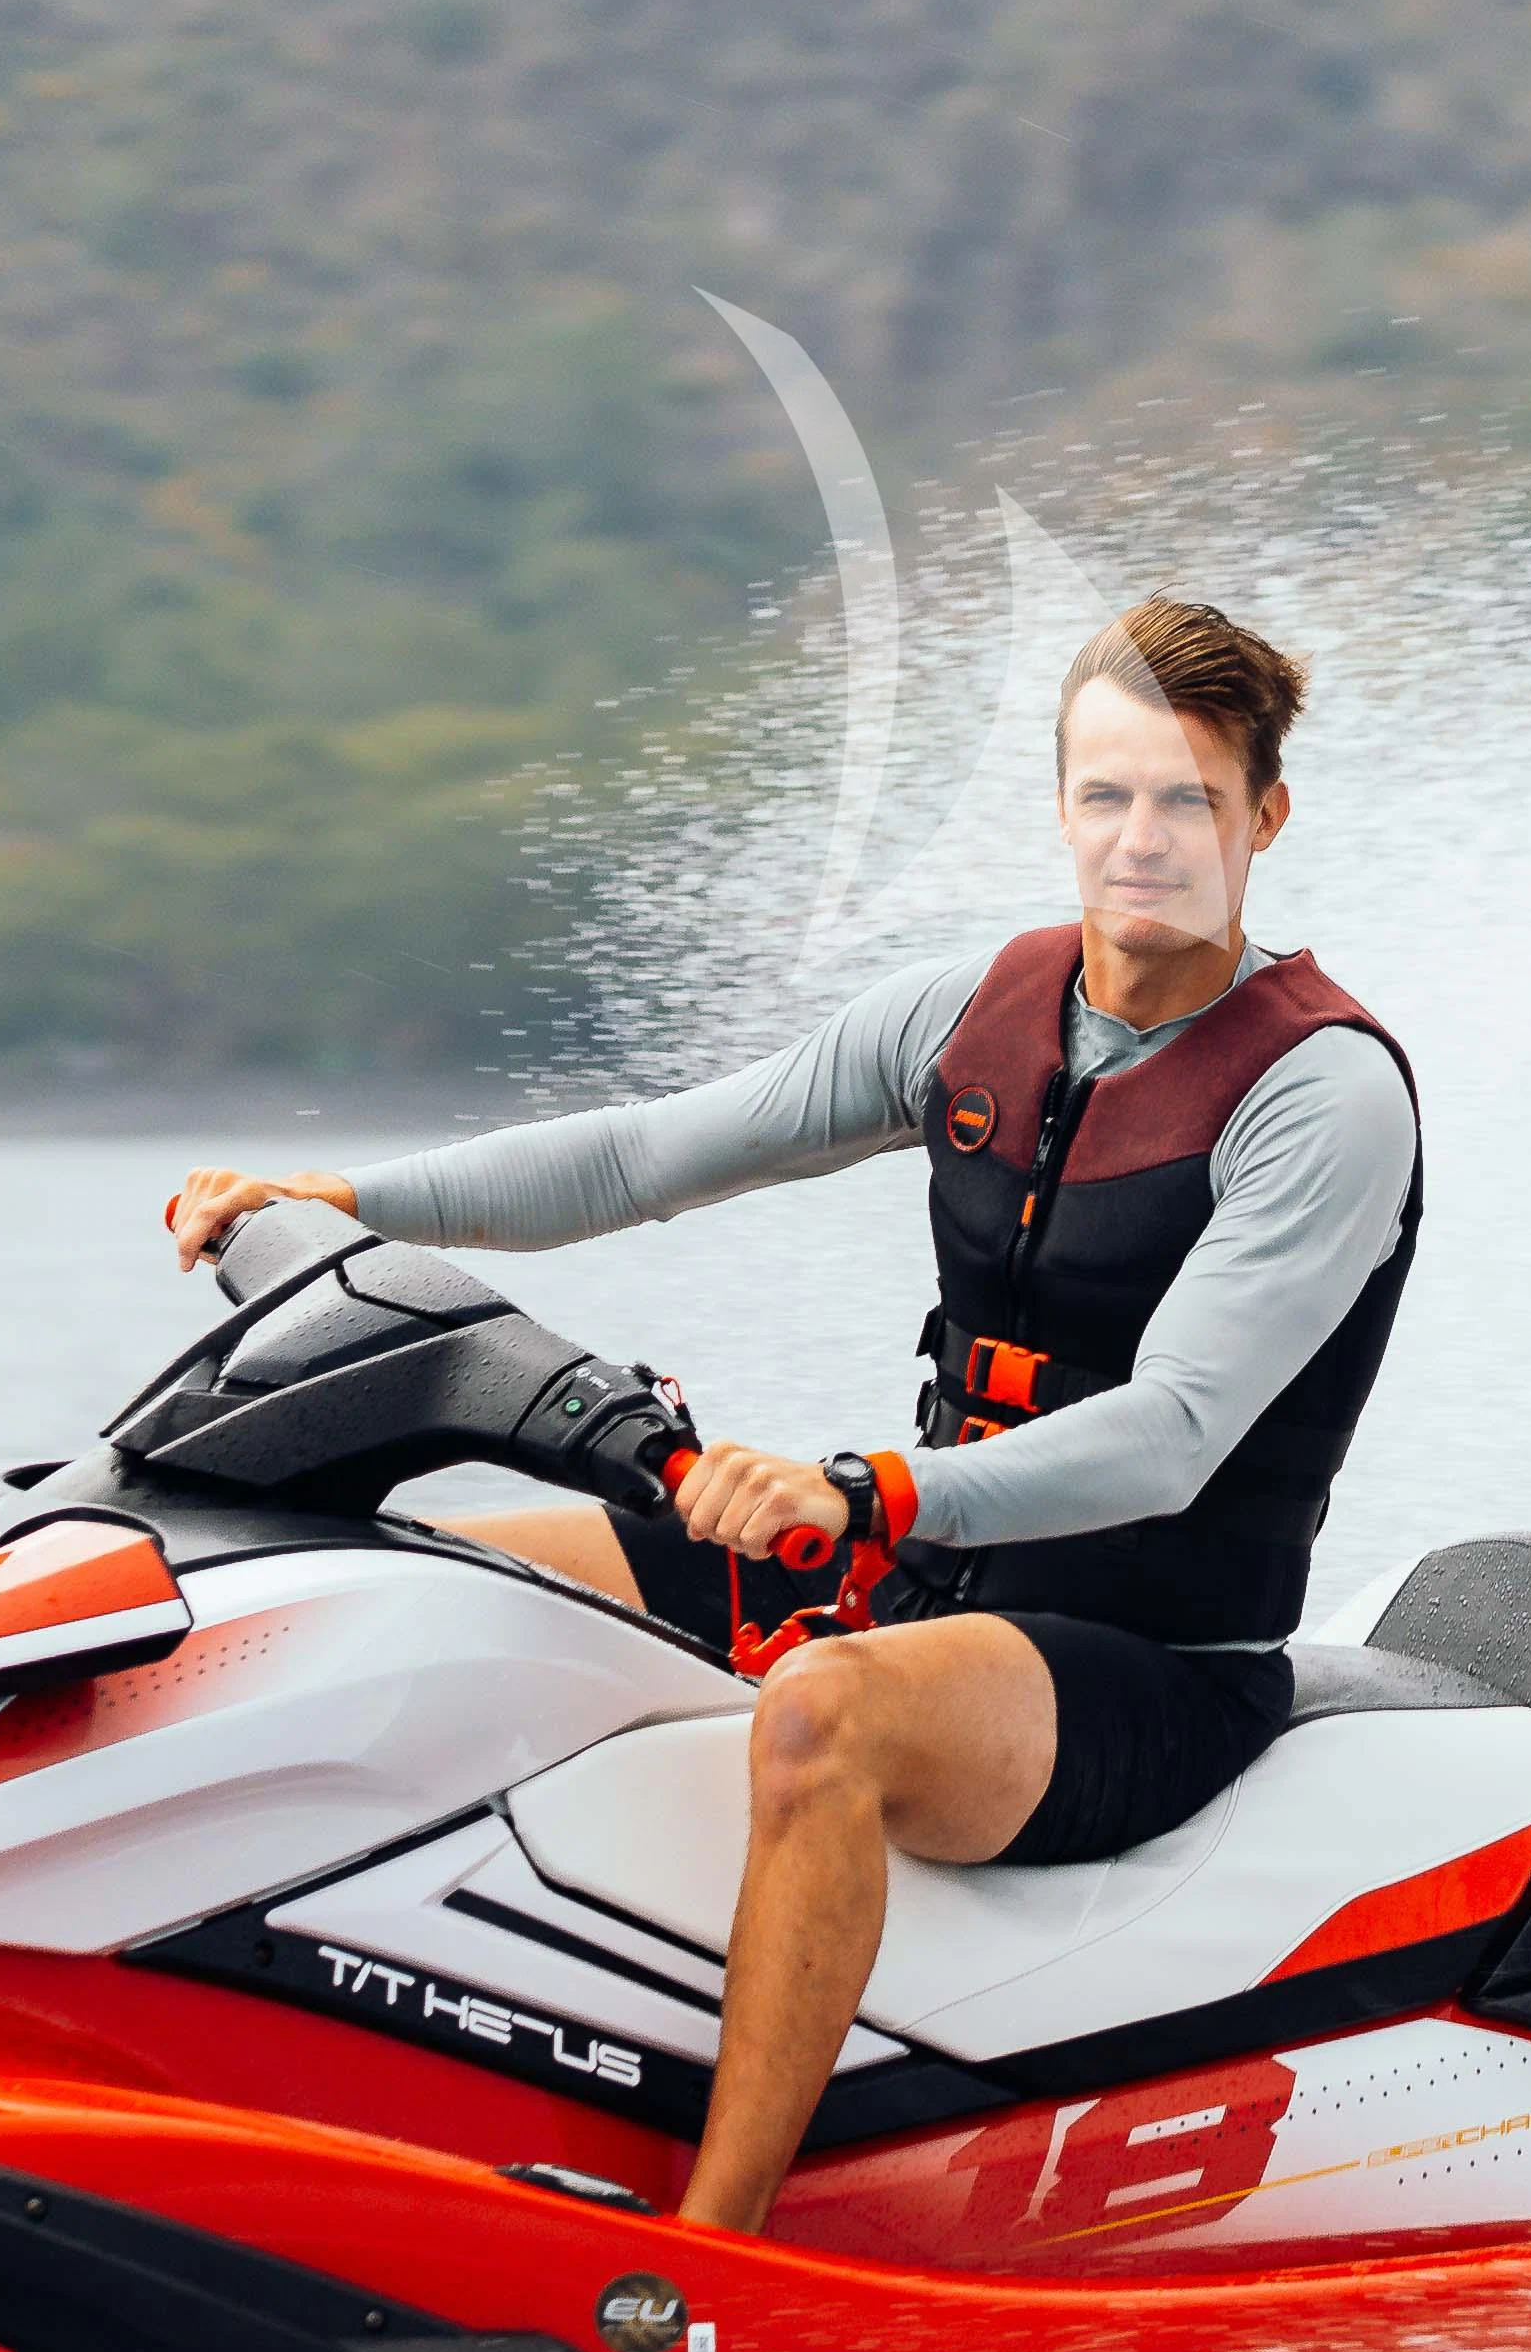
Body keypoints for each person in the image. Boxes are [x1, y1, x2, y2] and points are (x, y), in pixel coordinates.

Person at [162, 595, 1420, 2235]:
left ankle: (715, 2245)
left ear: (1263, 816)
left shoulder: (1323, 1091)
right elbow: (642, 1158)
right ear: (1059, 803)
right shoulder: (974, 1016)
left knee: (823, 1714)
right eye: (1107, 794)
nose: (1143, 838)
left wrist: (868, 1490)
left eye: (1188, 798)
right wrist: (345, 1195)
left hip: (1153, 1661)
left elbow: (1176, 1430)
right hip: (927, 1574)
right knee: (450, 1570)